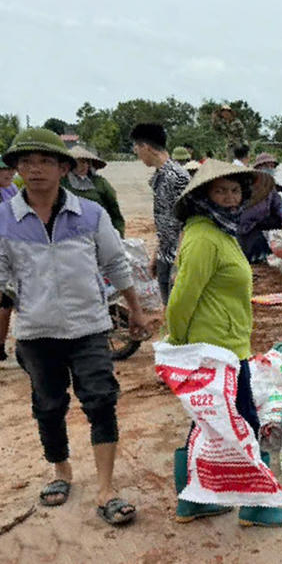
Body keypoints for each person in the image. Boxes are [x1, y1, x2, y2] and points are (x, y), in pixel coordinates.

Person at [0, 128, 151, 525]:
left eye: (45, 162)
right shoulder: (4, 219)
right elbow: (1, 281)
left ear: (63, 168)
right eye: (26, 162)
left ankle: (106, 488)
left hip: (89, 327)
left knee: (101, 400)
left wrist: (135, 310)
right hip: (36, 332)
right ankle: (61, 471)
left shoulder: (90, 214)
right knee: (48, 406)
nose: (35, 170)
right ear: (17, 169)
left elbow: (115, 263)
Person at [166, 158, 282, 527]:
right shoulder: (203, 237)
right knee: (245, 423)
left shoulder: (221, 231)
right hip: (214, 349)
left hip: (226, 344)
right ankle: (257, 506)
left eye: (235, 190)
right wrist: (179, 346)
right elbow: (181, 297)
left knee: (209, 424)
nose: (228, 197)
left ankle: (192, 501)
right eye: (220, 190)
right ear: (204, 196)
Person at [131, 123, 190, 305]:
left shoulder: (178, 177)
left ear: (146, 147)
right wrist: (157, 254)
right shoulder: (160, 176)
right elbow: (166, 220)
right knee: (168, 309)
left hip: (179, 259)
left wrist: (179, 264)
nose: (136, 152)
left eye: (136, 147)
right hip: (166, 257)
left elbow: (189, 222)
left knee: (179, 311)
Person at [61, 145, 127, 237]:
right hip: (72, 231)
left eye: (85, 162)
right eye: (78, 163)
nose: (82, 166)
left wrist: (119, 234)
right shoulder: (62, 183)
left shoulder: (100, 183)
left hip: (99, 227)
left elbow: (114, 210)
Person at [238, 153, 282, 263]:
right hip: (247, 225)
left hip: (262, 221)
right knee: (256, 247)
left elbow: (278, 205)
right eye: (267, 166)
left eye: (272, 166)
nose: (270, 169)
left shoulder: (270, 186)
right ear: (258, 168)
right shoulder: (247, 185)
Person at [0, 156, 14, 361]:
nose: (10, 173)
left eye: (12, 170)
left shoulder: (11, 190)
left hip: (11, 251)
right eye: (5, 170)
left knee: (7, 303)